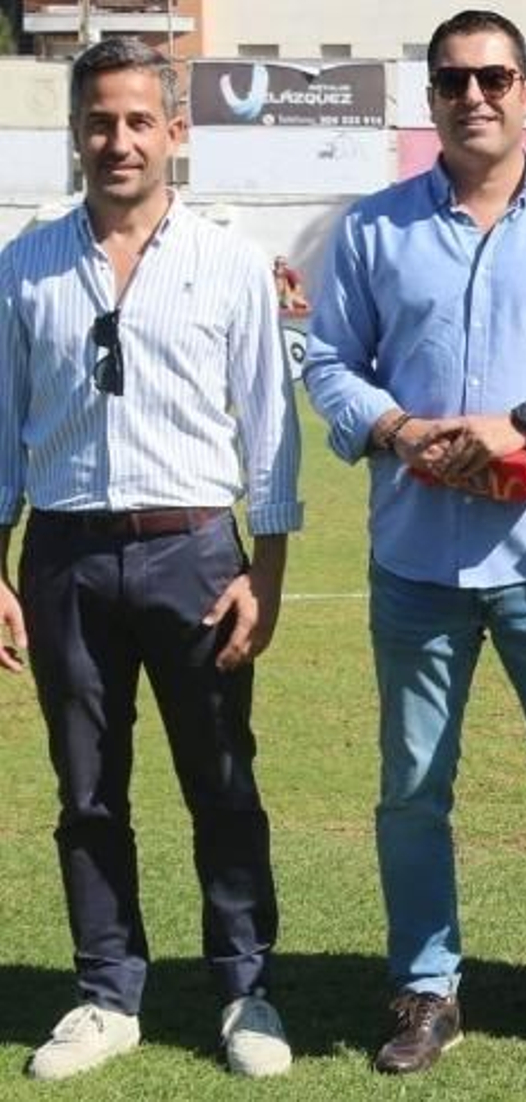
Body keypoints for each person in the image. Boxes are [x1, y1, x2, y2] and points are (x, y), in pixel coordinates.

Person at [302, 9, 526, 1076]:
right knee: (413, 787)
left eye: (494, 76)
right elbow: (327, 363)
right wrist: (402, 428)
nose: (475, 96)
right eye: (454, 80)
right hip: (416, 560)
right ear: (431, 96)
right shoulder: (372, 230)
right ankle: (425, 984)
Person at [0, 39, 301, 1081]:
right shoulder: (25, 265)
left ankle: (244, 988)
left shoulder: (226, 260)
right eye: (98, 121)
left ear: (176, 133)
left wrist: (266, 570)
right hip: (67, 558)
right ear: (74, 132)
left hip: (194, 552)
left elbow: (269, 425)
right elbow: (2, 429)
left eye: (138, 121)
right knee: (87, 791)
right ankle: (105, 992)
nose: (117, 140)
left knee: (220, 779)